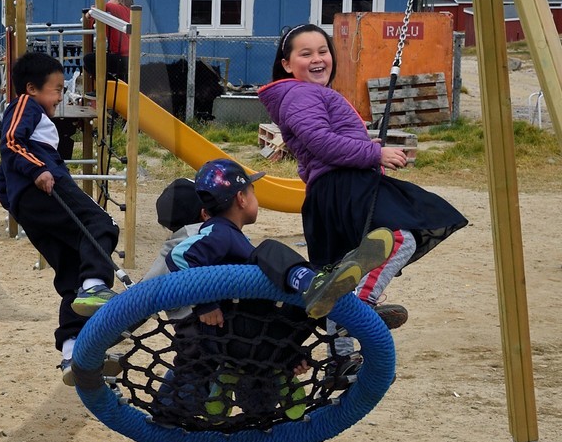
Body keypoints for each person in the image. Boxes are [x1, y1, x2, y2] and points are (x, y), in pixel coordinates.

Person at [260, 23, 467, 334]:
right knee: (400, 237)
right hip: (345, 186)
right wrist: (374, 155)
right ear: (287, 64)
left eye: (323, 51)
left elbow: (321, 144)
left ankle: (340, 358)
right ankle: (363, 303)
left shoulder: (307, 94)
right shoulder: (301, 95)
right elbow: (321, 142)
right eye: (306, 54)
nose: (317, 59)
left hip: (329, 193)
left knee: (336, 276)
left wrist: (367, 150)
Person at [150, 161, 395, 421]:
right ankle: (332, 298)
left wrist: (289, 355)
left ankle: (346, 316)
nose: (256, 197)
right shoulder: (219, 231)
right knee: (268, 252)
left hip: (257, 337)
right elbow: (179, 257)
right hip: (231, 333)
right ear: (241, 198)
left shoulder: (231, 237)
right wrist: (205, 304)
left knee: (299, 297)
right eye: (253, 191)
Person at [0, 51, 121, 383]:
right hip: (44, 186)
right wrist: (38, 171)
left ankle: (72, 353)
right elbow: (11, 143)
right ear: (32, 89)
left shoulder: (31, 113)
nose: (60, 97)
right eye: (57, 89)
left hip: (30, 204)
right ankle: (95, 286)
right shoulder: (24, 106)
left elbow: (2, 175)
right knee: (100, 224)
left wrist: (16, 204)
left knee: (70, 275)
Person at [82, 0, 135, 88]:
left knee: (89, 60)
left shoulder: (120, 9)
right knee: (90, 63)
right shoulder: (126, 12)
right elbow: (96, 20)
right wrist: (94, 14)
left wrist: (90, 12)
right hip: (126, 57)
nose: (108, 1)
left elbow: (103, 7)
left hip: (122, 57)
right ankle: (113, 85)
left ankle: (110, 86)